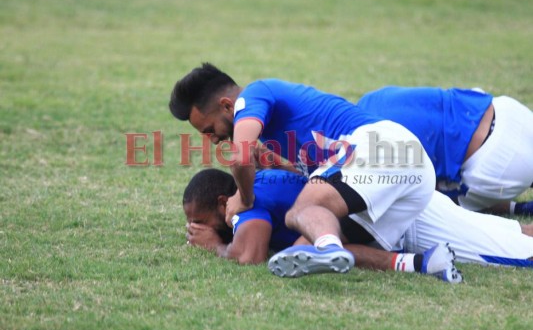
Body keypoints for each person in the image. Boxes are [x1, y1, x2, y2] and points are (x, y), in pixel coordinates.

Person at [169, 63, 446, 278]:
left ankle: (329, 247)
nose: (212, 139)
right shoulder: (276, 132)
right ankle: (418, 264)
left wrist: (244, 197)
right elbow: (304, 170)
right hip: (411, 176)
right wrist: (278, 163)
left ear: (228, 106)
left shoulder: (253, 95)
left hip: (379, 146)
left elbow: (240, 157)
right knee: (296, 252)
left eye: (209, 130)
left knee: (300, 212)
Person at [183, 169, 533, 276]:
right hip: (396, 204)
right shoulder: (264, 182)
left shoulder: (244, 203)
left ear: (221, 202)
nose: (198, 229)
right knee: (510, 233)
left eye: (201, 221)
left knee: (518, 253)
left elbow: (251, 255)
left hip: (403, 219)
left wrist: (215, 245)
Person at [356, 86, 533, 215]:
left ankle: (517, 208)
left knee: (437, 206)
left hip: (501, 165)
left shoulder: (366, 146)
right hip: (510, 112)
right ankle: (519, 208)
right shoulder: (370, 98)